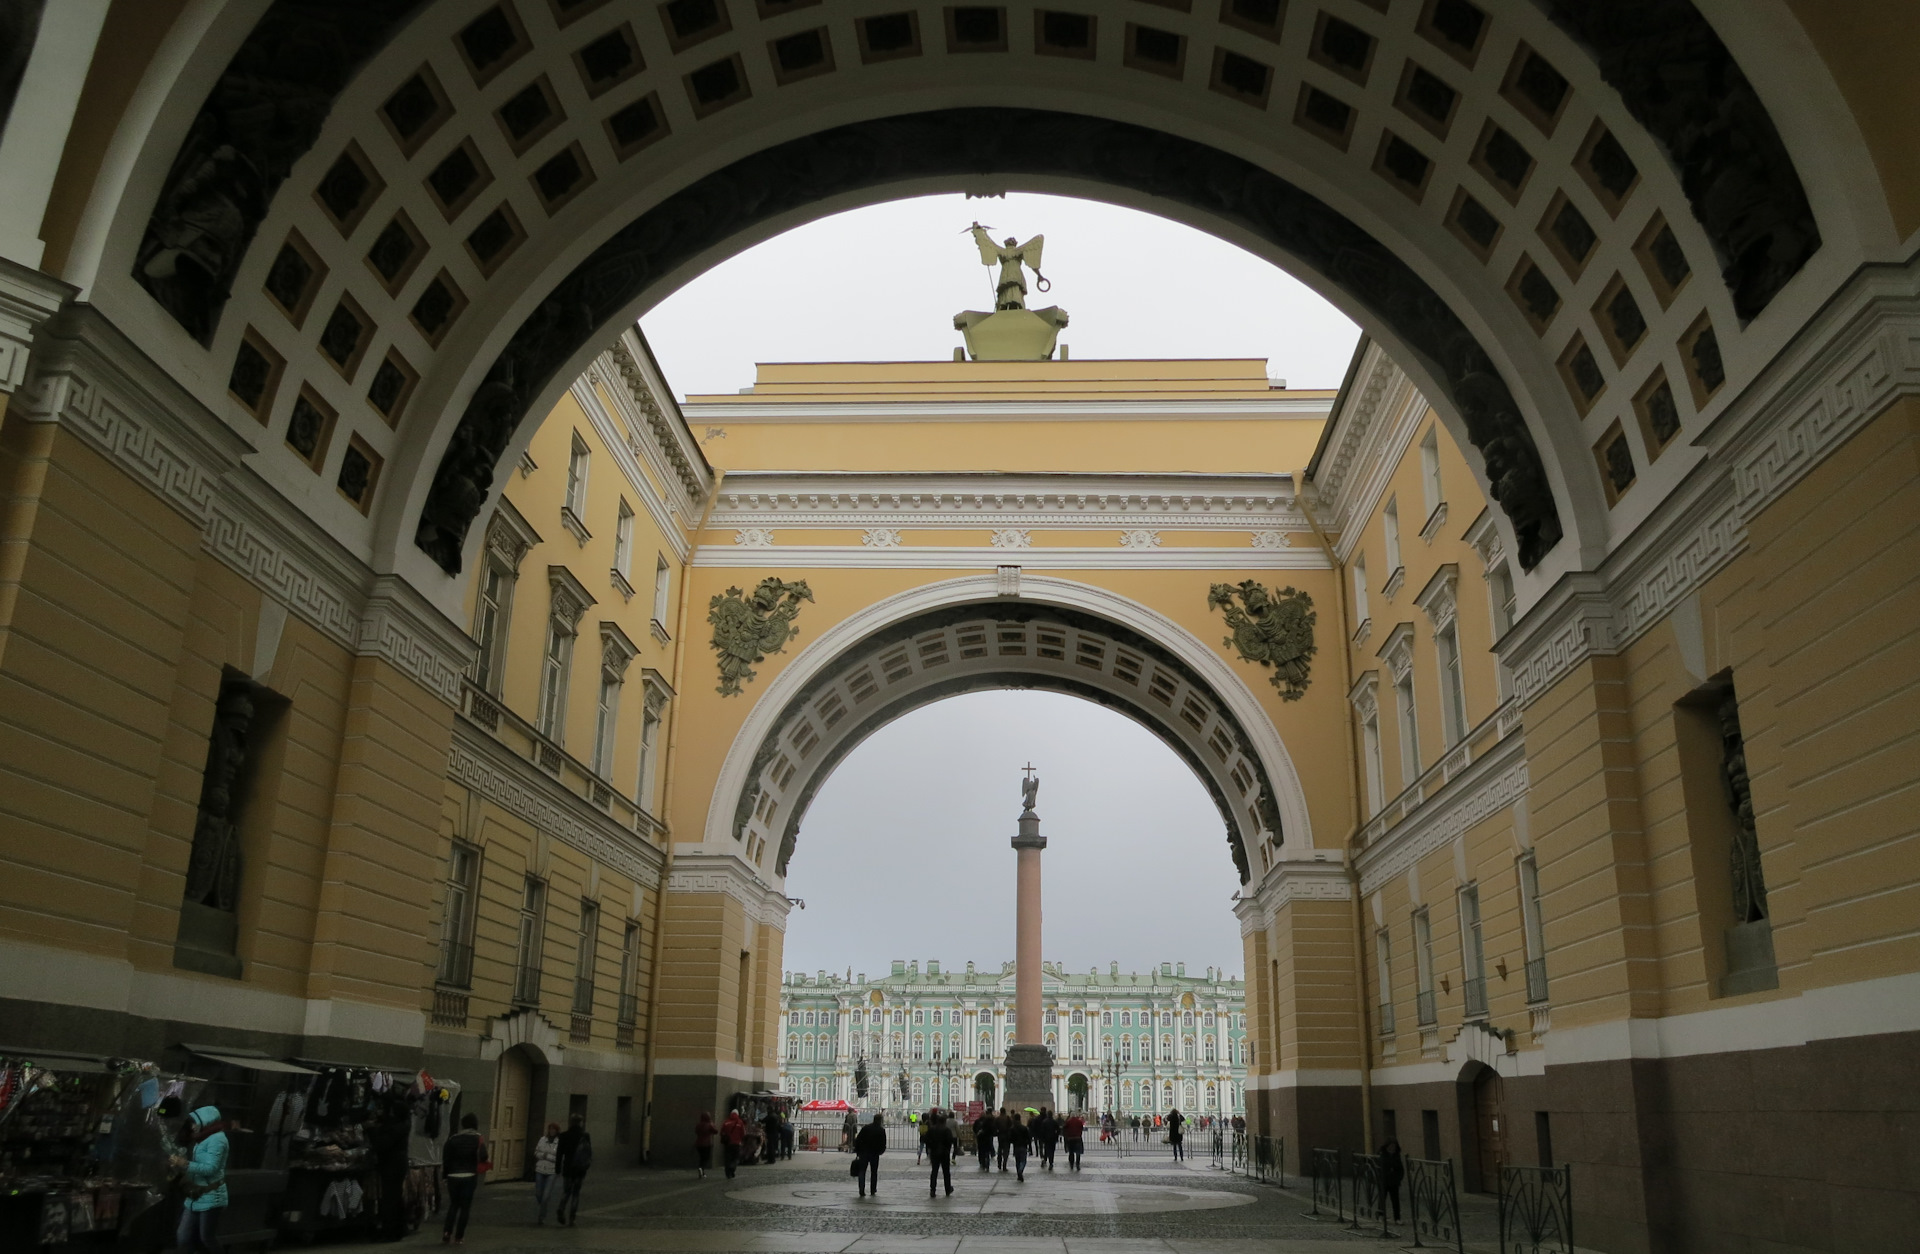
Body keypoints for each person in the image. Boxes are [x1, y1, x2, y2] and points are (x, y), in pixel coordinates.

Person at [174, 1105, 229, 1254]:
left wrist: (185, 1164)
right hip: (196, 1194)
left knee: (207, 1238)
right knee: (183, 1236)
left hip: (212, 1196)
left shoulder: (218, 1140)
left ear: (206, 1121)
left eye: (194, 1123)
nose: (192, 1127)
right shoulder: (202, 1139)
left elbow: (211, 1169)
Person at [440, 1113, 486, 1246]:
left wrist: (445, 1176)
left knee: (453, 1205)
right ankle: (459, 1236)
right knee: (465, 1207)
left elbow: (446, 1158)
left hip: (453, 1176)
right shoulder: (478, 1138)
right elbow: (483, 1156)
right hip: (469, 1175)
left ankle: (446, 1232)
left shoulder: (453, 1138)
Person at [556, 1113, 592, 1226]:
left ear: (570, 1122)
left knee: (566, 1191)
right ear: (581, 1122)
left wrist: (557, 1167)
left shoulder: (564, 1136)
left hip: (568, 1167)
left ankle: (561, 1208)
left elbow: (559, 1153)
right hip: (580, 1169)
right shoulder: (585, 1136)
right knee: (576, 1193)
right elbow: (588, 1153)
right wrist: (587, 1165)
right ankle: (572, 1218)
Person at [531, 1122, 561, 1223]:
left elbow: (559, 1158)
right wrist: (543, 1155)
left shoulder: (559, 1142)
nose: (552, 1131)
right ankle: (543, 1207)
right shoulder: (542, 1140)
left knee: (546, 1196)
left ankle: (542, 1216)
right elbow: (536, 1152)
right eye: (550, 1129)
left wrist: (546, 1156)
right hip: (540, 1169)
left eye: (554, 1129)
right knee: (538, 1194)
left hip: (552, 1171)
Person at [853, 1113, 887, 1198]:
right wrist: (881, 1151)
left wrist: (857, 1150)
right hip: (875, 1154)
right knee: (874, 1172)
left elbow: (858, 1139)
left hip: (864, 1152)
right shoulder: (881, 1130)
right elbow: (883, 1143)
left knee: (862, 1171)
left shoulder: (866, 1128)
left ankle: (861, 1189)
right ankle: (872, 1189)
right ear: (880, 1121)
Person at [924, 1112, 956, 1198]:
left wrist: (931, 1147)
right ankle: (947, 1189)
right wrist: (947, 1148)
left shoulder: (932, 1129)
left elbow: (926, 1139)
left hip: (934, 1153)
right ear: (944, 1121)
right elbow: (950, 1141)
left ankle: (933, 1189)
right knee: (946, 1172)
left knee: (934, 1171)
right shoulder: (946, 1130)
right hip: (944, 1153)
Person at [1378, 1137, 1405, 1222]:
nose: (1392, 1147)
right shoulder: (1382, 1154)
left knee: (1395, 1200)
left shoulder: (1397, 1155)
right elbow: (1379, 1167)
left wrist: (1398, 1178)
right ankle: (1380, 1215)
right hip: (1384, 1180)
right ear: (1387, 1146)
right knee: (1382, 1198)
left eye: (1394, 1146)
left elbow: (1400, 1169)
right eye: (1391, 1146)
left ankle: (1397, 1218)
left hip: (1394, 1181)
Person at [1006, 1110, 1033, 1182]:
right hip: (1023, 1146)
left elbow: (1010, 1138)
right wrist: (1029, 1147)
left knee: (1017, 1161)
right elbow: (1028, 1138)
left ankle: (1019, 1174)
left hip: (1016, 1146)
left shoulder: (1012, 1128)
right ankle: (1020, 1171)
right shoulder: (1024, 1128)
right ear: (1020, 1119)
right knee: (1023, 1161)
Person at [721, 1109, 747, 1178]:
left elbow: (722, 1132)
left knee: (727, 1159)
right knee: (736, 1158)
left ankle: (728, 1174)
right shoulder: (740, 1122)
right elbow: (743, 1134)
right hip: (737, 1144)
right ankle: (732, 1168)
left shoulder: (726, 1122)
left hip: (728, 1144)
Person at [694, 1112, 717, 1178]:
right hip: (707, 1144)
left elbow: (696, 1131)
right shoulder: (709, 1125)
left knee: (702, 1157)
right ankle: (701, 1168)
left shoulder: (698, 1125)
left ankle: (701, 1170)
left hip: (698, 1144)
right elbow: (716, 1131)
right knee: (706, 1158)